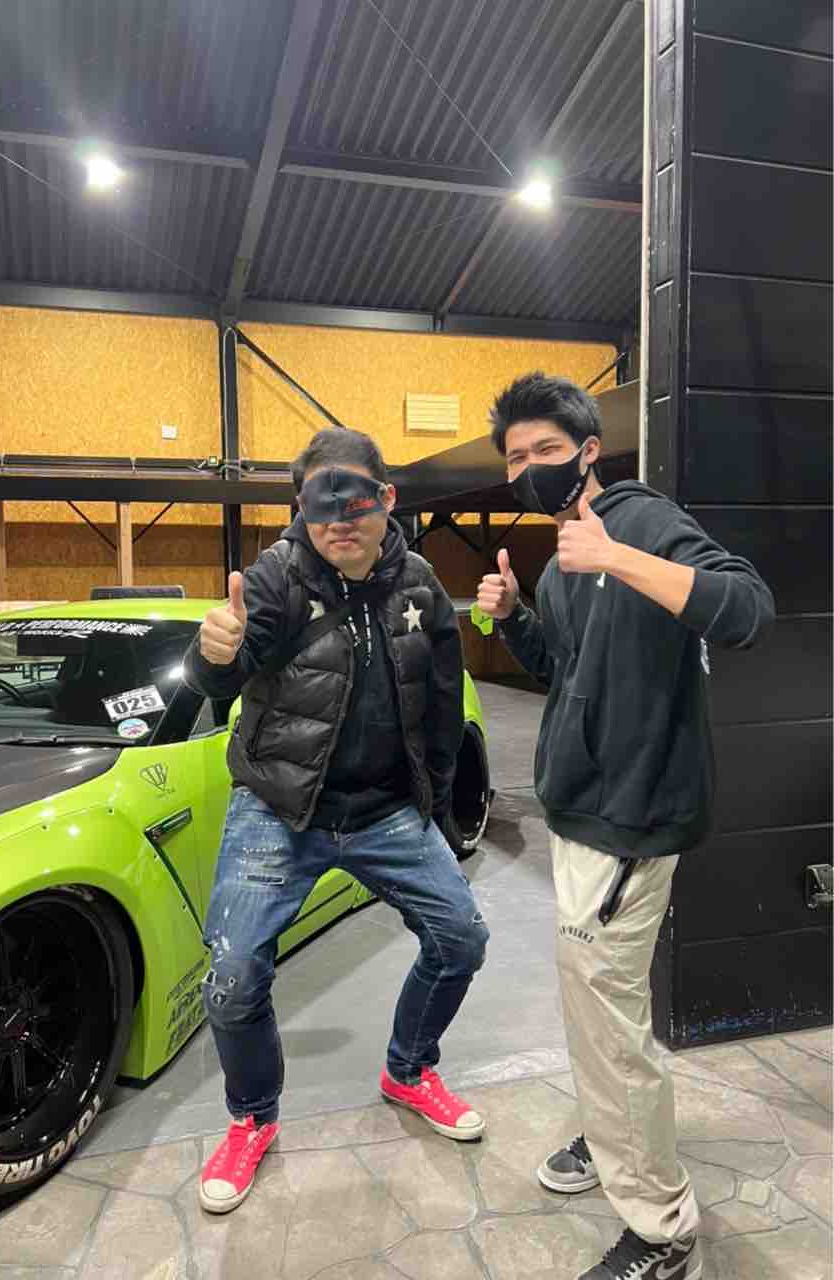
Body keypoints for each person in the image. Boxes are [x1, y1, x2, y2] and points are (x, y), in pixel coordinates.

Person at [477, 372, 774, 1280]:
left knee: (607, 1021)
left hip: (628, 819)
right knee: (600, 1009)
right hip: (579, 808)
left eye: (546, 449)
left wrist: (619, 558)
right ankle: (612, 1135)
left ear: (589, 450)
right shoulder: (566, 553)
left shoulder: (638, 521)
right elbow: (566, 669)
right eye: (515, 457)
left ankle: (662, 1227)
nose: (530, 467)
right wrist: (514, 617)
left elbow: (749, 609)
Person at [187, 427, 489, 1214]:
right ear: (301, 507)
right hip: (282, 809)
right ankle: (253, 1118)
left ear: (386, 499)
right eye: (321, 504)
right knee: (232, 978)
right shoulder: (277, 579)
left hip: (388, 811)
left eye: (355, 499)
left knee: (461, 938)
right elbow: (224, 669)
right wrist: (212, 654)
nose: (339, 521)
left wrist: (439, 809)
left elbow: (444, 703)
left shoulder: (420, 585)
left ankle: (409, 1069)